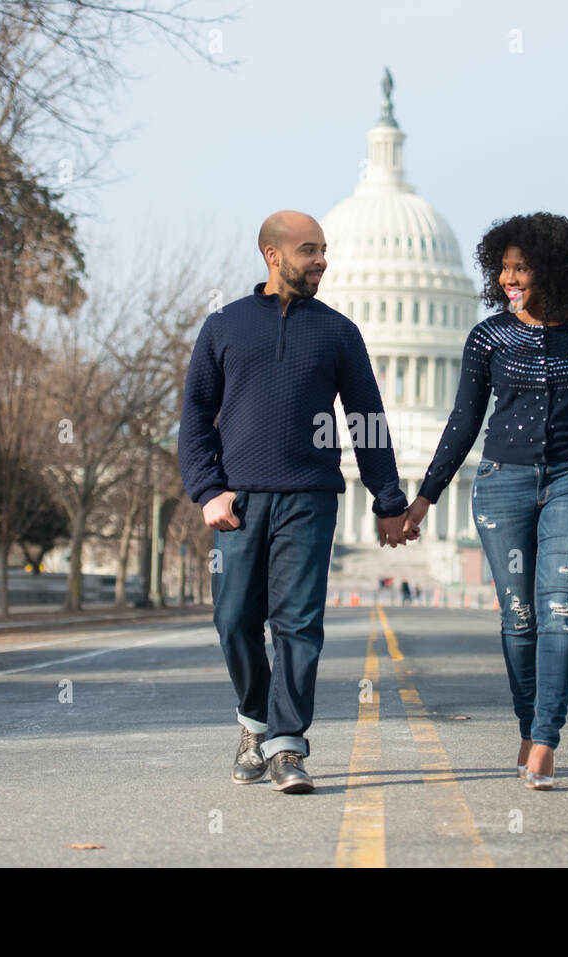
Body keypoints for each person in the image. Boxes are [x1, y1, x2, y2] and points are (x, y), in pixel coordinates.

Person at [178, 210, 415, 795]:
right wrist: (207, 490)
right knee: (234, 619)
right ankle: (253, 723)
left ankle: (286, 746)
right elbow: (194, 419)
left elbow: (367, 420)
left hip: (309, 498)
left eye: (324, 249)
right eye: (310, 250)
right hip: (239, 501)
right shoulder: (224, 326)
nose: (322, 261)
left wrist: (388, 500)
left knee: (298, 623)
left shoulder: (337, 331)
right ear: (272, 255)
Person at [402, 212, 568, 790]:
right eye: (502, 269)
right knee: (519, 617)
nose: (509, 279)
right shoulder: (488, 336)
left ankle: (547, 738)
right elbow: (462, 422)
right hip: (503, 482)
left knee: (559, 610)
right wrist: (425, 498)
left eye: (521, 268)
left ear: (555, 269)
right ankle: (528, 727)